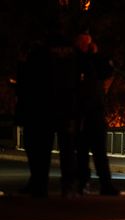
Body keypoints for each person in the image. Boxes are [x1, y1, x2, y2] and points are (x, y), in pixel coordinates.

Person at [15, 19, 80, 197]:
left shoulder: (39, 50)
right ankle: (69, 186)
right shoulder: (72, 51)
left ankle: (39, 185)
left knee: (41, 150)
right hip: (67, 105)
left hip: (44, 106)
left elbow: (29, 78)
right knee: (67, 150)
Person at [74, 31, 119, 196]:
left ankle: (104, 184)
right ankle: (84, 182)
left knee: (98, 151)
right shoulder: (77, 61)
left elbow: (107, 71)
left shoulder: (94, 61)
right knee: (83, 152)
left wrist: (95, 55)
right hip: (82, 112)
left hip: (94, 111)